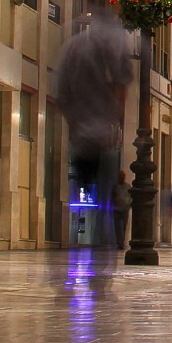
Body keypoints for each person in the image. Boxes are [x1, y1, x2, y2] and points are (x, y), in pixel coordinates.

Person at [54, 14, 134, 202]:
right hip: (91, 133)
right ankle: (90, 189)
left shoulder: (73, 47)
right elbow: (121, 86)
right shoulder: (109, 48)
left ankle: (87, 188)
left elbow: (62, 95)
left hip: (88, 133)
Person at [109, 170, 132, 250]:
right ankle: (119, 243)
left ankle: (122, 242)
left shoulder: (128, 186)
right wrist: (112, 205)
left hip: (125, 210)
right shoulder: (115, 186)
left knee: (124, 227)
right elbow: (112, 197)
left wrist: (129, 205)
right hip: (117, 210)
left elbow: (131, 197)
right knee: (118, 228)